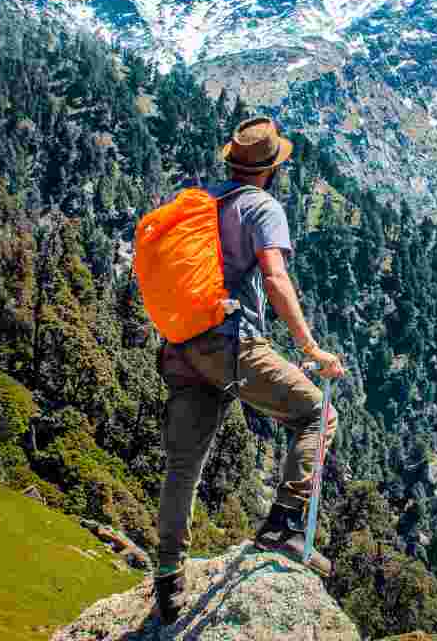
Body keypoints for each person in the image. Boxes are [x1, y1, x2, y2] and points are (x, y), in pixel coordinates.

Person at [153, 116, 345, 625]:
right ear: (271, 169)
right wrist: (311, 347)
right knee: (316, 415)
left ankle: (168, 577)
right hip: (230, 343)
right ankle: (283, 525)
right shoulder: (262, 206)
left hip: (181, 347)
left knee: (183, 466)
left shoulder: (204, 201)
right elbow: (276, 279)